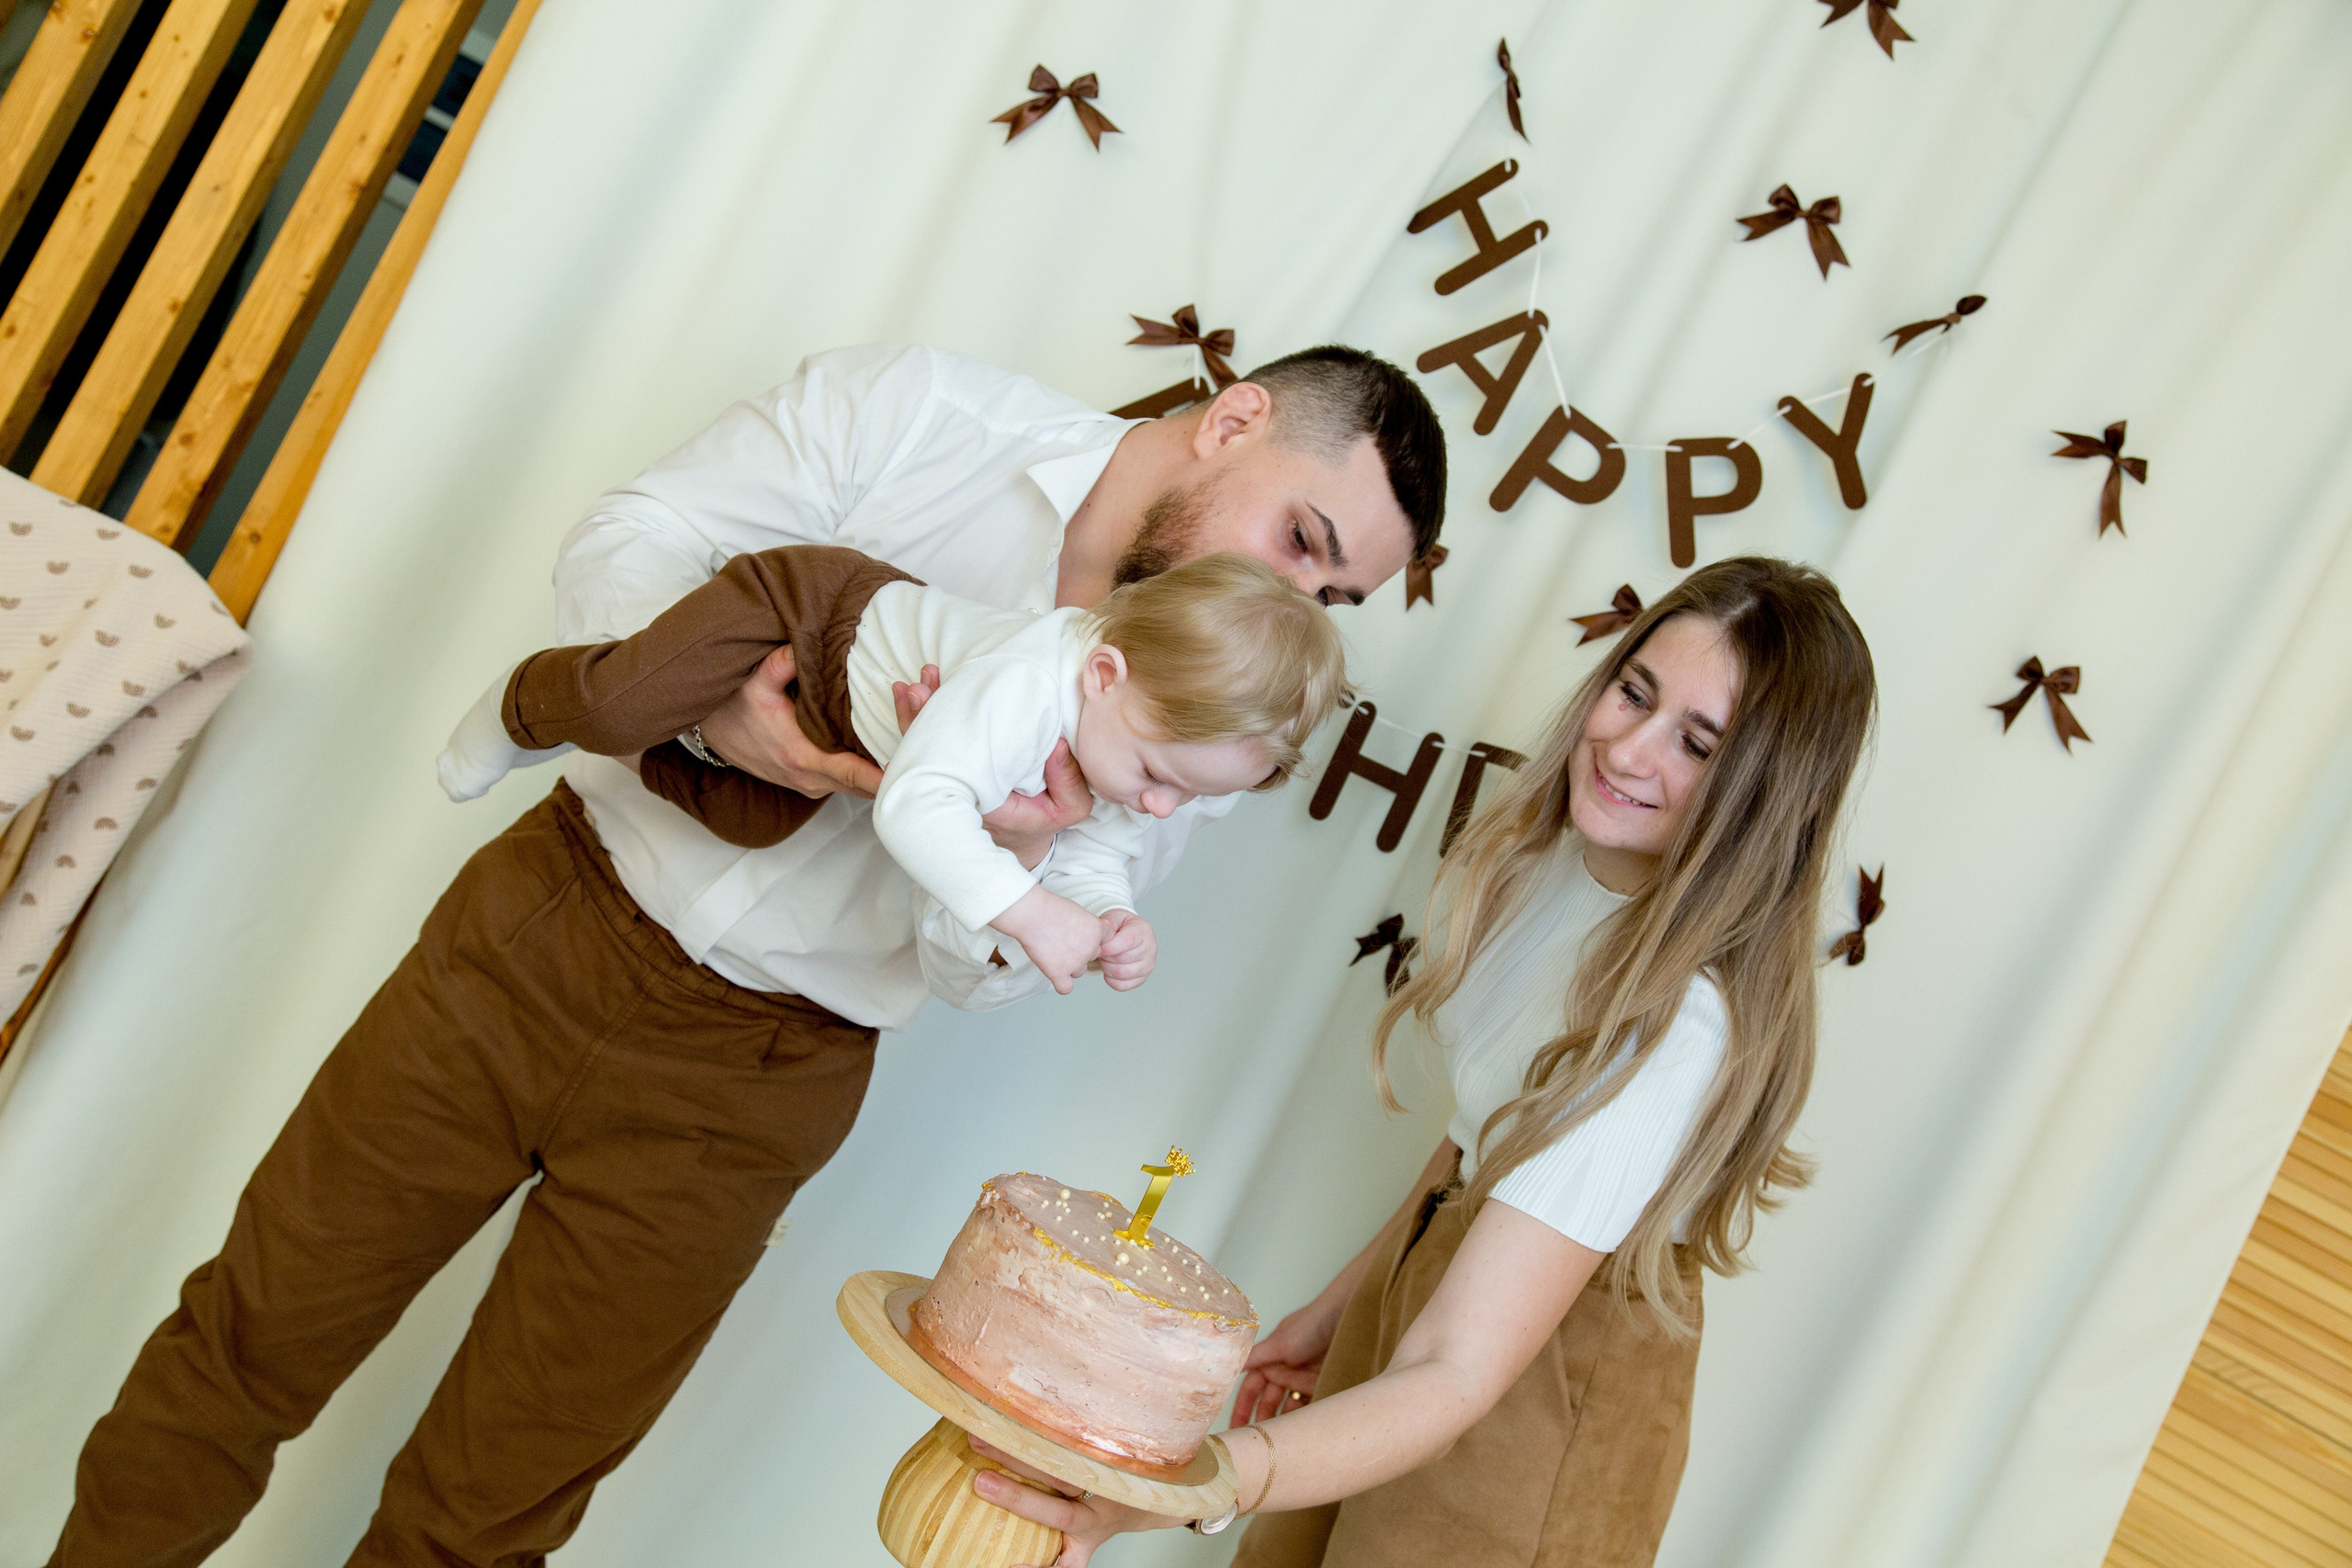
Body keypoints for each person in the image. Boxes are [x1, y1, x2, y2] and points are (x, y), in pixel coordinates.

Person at [45, 343, 1444, 1567]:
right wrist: (727, 712)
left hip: (758, 1080)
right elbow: (628, 538)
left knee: (490, 1511)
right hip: (547, 926)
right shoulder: (920, 411)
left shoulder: (1190, 711)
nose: (1298, 594)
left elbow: (983, 978)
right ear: (1235, 420)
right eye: (1305, 538)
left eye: (1339, 592)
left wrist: (1009, 869)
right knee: (246, 1340)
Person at [971, 556, 1877, 1568]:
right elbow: (1483, 1136)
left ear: (1762, 794)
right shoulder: (1550, 865)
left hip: (1536, 1398)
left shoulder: (1674, 1027)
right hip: (1439, 1291)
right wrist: (1344, 1305)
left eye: (1696, 743)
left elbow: (1457, 1371)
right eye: (1634, 692)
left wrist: (1180, 1488)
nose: (1625, 750)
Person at [437, 547, 1353, 993]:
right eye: (1161, 776)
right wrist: (1031, 910)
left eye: (1192, 797)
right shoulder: (1034, 682)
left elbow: (1089, 850)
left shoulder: (1126, 733)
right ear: (1103, 672)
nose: (1161, 806)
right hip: (810, 614)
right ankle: (525, 702)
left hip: (839, 725)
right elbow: (915, 811)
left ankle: (653, 737)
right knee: (621, 700)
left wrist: (1109, 912)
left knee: (754, 812)